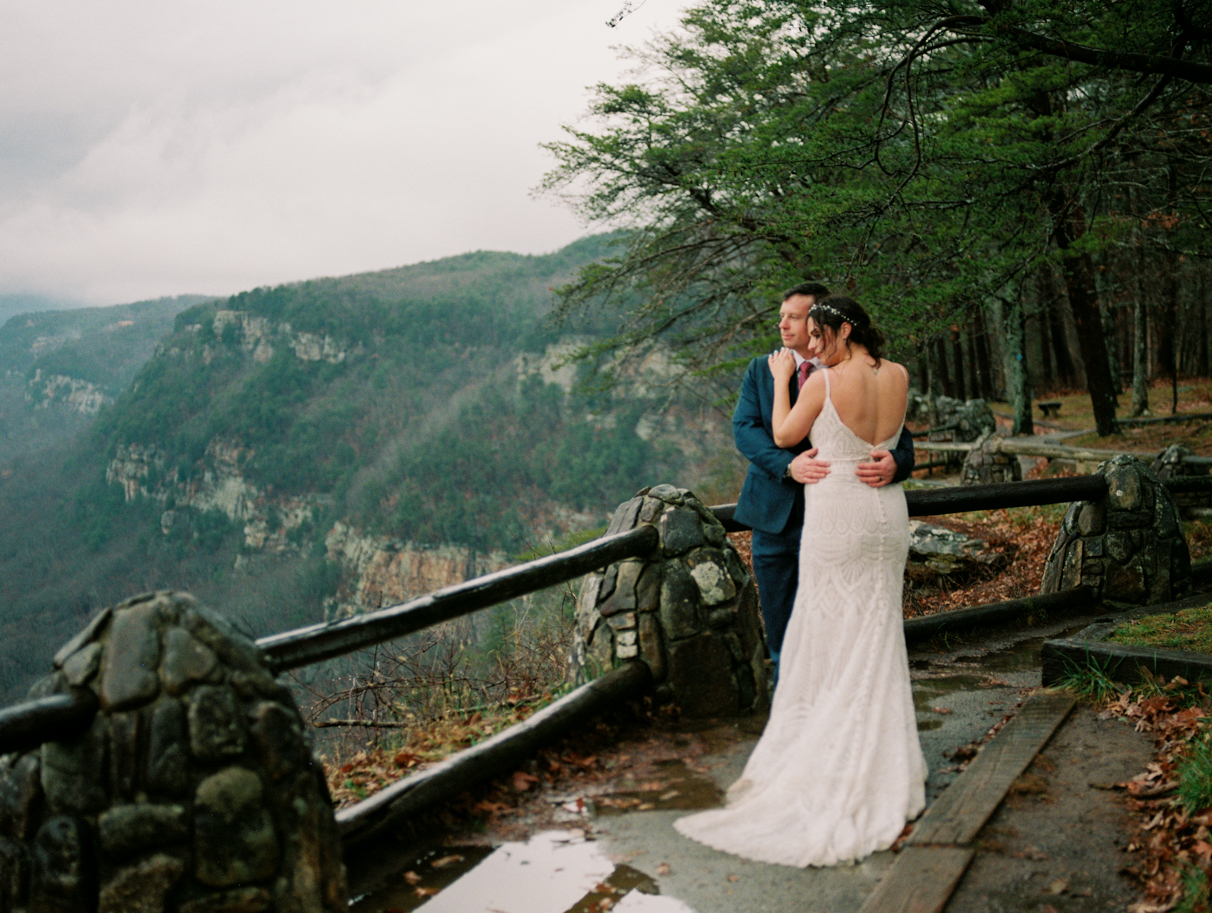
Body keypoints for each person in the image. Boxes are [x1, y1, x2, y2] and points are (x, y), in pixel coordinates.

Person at [675, 294, 927, 867]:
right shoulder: (897, 373)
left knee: (830, 635)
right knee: (868, 635)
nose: (804, 340)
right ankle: (880, 761)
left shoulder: (815, 377)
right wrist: (798, 463)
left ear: (838, 328)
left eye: (812, 330)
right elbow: (750, 432)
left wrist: (789, 381)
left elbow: (788, 431)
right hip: (880, 518)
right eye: (795, 328)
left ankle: (827, 761)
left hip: (838, 516)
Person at [731, 282, 914, 687]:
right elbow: (744, 429)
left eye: (795, 318)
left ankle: (835, 696)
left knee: (841, 619)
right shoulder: (762, 369)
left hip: (842, 514)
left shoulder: (846, 373)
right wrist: (788, 465)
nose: (783, 325)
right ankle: (789, 698)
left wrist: (896, 464)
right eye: (782, 317)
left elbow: (900, 438)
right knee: (780, 621)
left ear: (825, 318)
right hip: (777, 513)